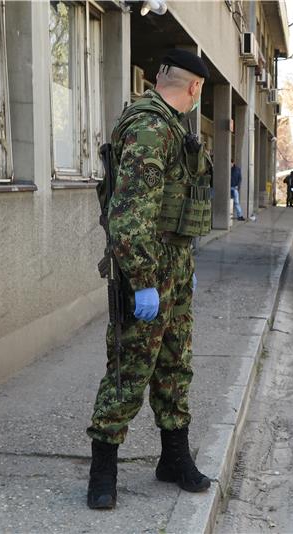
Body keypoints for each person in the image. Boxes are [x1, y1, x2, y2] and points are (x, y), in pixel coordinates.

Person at [86, 49, 212, 510]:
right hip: (148, 268)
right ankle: (103, 471)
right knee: (130, 367)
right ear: (195, 87)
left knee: (176, 362)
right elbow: (129, 214)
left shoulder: (171, 127)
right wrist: (141, 279)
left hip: (173, 265)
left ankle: (173, 458)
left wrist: (182, 270)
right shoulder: (149, 127)